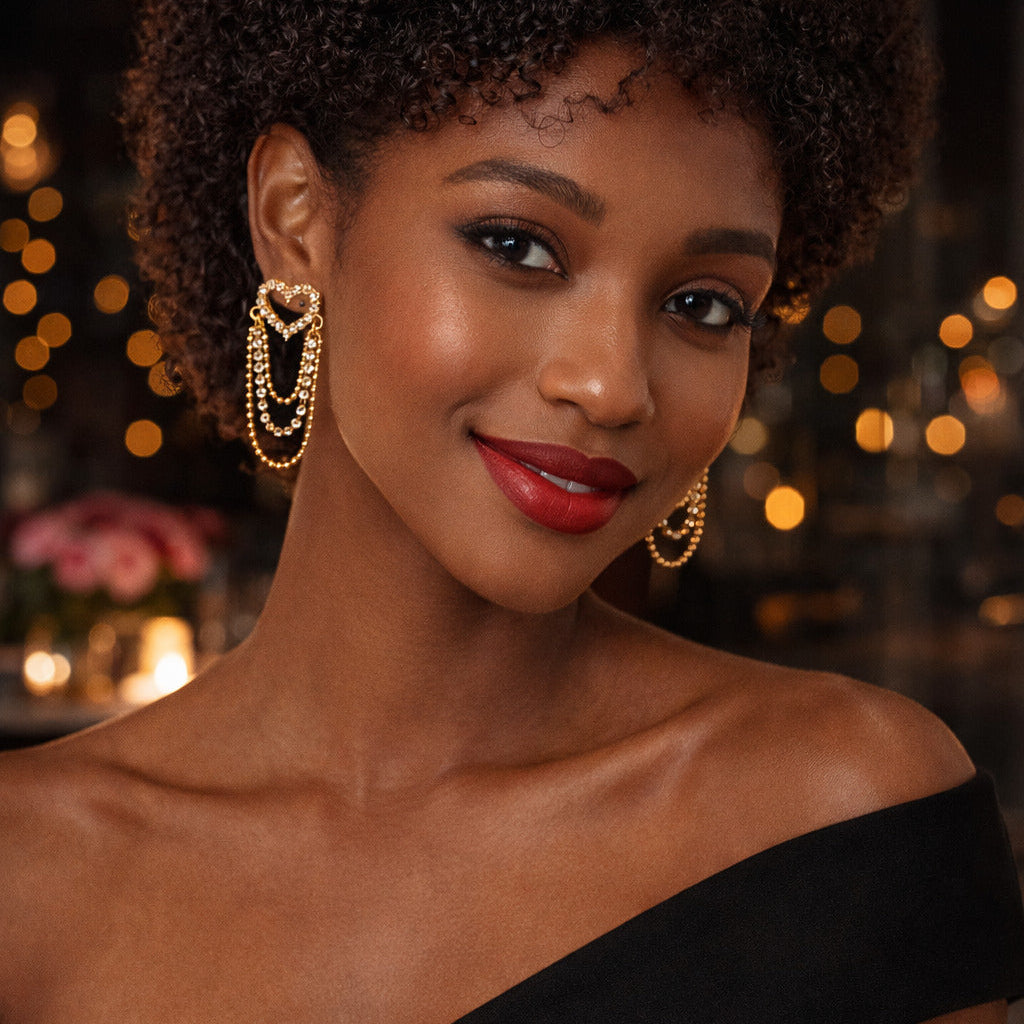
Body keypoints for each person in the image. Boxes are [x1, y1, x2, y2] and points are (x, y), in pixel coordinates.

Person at [1, 1, 1022, 1020]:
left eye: (702, 303)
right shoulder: (29, 880)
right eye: (517, 246)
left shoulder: (840, 819)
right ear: (293, 217)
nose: (612, 384)